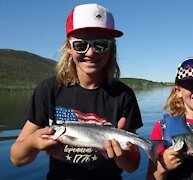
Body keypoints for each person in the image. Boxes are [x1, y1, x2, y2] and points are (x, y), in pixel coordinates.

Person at [10, 3, 142, 180]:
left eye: (101, 45)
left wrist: (121, 155)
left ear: (112, 49)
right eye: (81, 45)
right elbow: (17, 158)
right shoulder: (48, 90)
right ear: (69, 48)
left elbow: (133, 166)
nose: (91, 52)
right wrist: (33, 143)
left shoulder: (124, 96)